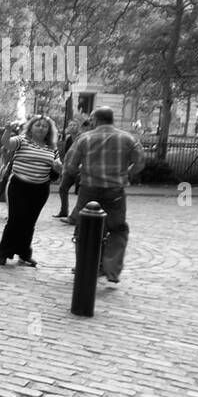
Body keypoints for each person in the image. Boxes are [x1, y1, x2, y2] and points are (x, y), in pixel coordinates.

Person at [62, 107, 144, 284]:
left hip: (89, 190)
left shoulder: (84, 138)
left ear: (94, 120)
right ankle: (111, 268)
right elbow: (140, 163)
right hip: (115, 191)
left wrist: (82, 173)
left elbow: (70, 165)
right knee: (117, 229)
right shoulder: (128, 138)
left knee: (84, 229)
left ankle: (84, 265)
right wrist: (127, 173)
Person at [0, 114, 61, 266]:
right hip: (19, 186)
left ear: (49, 130)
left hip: (40, 189)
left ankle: (24, 253)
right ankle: (4, 253)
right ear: (31, 127)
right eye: (38, 125)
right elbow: (7, 143)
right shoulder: (22, 140)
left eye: (45, 126)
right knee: (15, 220)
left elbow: (58, 168)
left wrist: (59, 168)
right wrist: (7, 131)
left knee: (29, 222)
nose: (41, 128)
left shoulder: (52, 147)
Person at [53, 117, 86, 218]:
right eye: (70, 125)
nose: (72, 127)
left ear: (79, 127)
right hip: (69, 168)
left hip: (80, 168)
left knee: (81, 192)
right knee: (63, 188)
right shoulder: (68, 139)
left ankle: (79, 214)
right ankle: (64, 211)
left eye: (74, 125)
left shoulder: (83, 137)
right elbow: (67, 153)